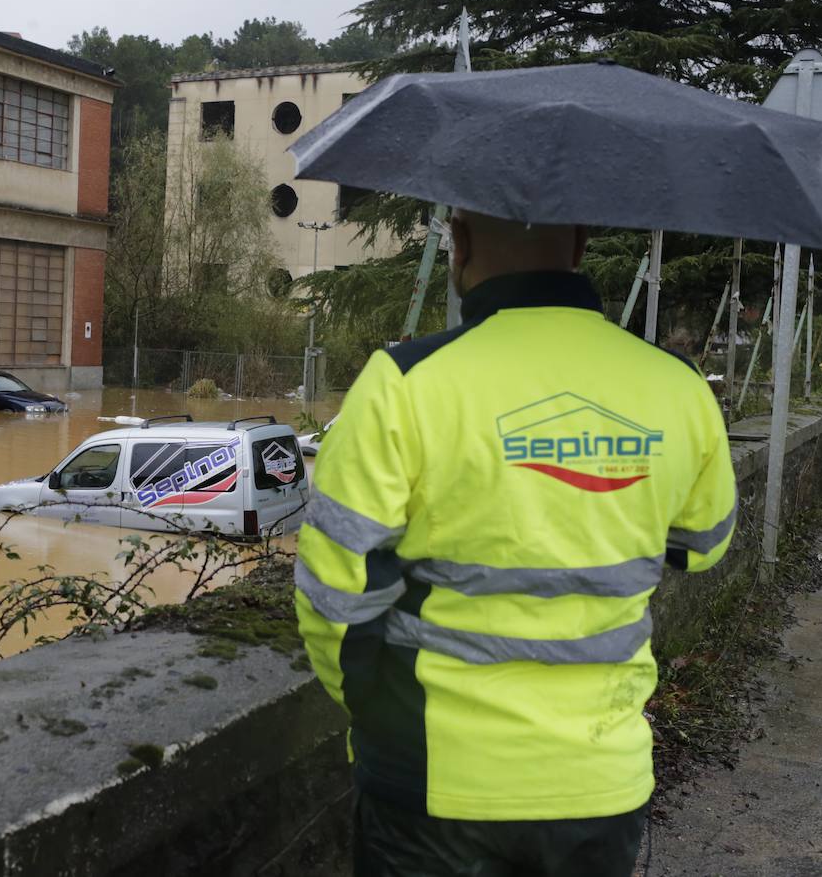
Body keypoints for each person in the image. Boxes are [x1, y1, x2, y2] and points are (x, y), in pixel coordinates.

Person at [295, 209, 736, 876]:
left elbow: (335, 595)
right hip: (601, 778)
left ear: (460, 241)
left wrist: (375, 716)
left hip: (433, 782)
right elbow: (704, 543)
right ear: (584, 242)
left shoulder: (405, 382)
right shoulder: (677, 387)